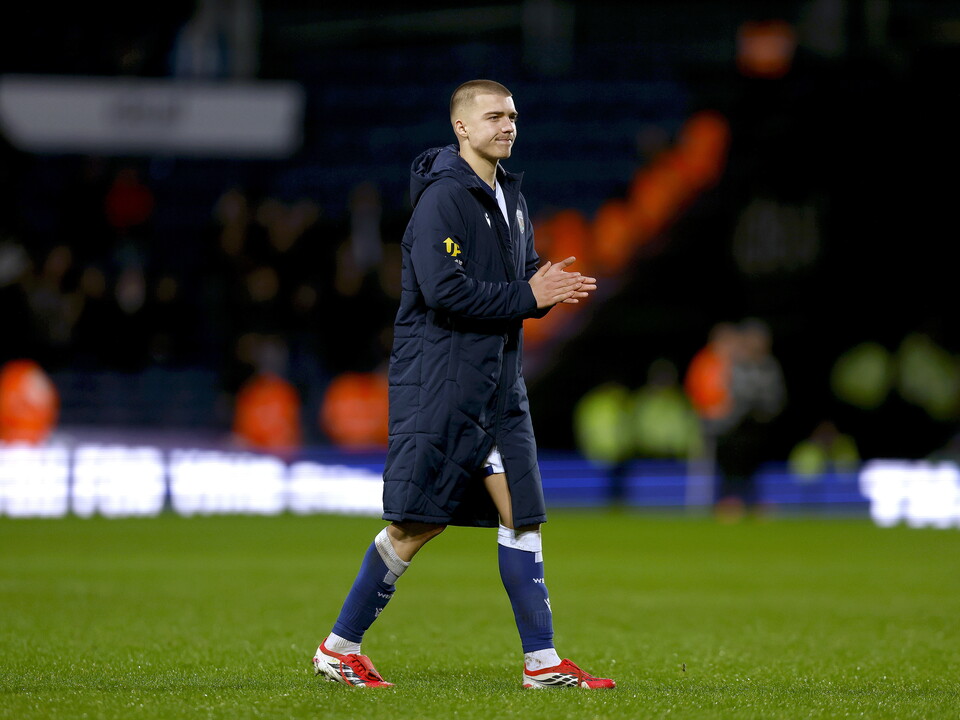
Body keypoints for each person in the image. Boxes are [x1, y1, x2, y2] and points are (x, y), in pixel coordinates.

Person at [312, 79, 615, 690]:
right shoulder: (443, 201)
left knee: (519, 513)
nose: (509, 125)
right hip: (445, 383)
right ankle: (340, 647)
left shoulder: (510, 197)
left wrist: (543, 281)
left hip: (498, 387)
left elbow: (513, 277)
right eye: (495, 116)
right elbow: (444, 291)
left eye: (514, 116)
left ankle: (542, 663)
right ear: (461, 127)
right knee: (416, 523)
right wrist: (530, 295)